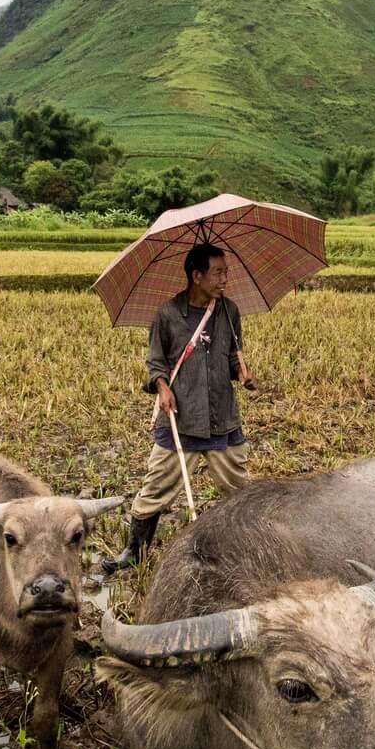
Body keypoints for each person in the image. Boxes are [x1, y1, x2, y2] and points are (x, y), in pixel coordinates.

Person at [104, 242, 254, 571]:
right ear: (196, 276)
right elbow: (155, 362)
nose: (224, 278)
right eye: (218, 272)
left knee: (240, 491)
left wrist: (241, 371)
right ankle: (134, 552)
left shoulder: (229, 311)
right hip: (180, 420)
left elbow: (231, 354)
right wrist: (162, 389)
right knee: (156, 487)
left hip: (221, 420)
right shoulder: (168, 315)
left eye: (226, 271)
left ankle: (250, 547)